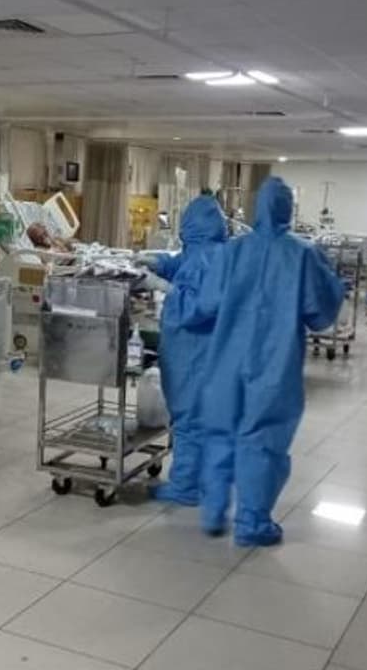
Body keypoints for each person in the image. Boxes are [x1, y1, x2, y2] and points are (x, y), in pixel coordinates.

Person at [189, 177, 343, 544]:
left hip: (227, 357)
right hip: (274, 361)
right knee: (262, 438)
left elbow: (206, 304)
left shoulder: (231, 252)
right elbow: (321, 315)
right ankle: (252, 523)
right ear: (288, 208)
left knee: (220, 431)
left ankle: (213, 512)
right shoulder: (303, 255)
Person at [140, 195, 228, 506]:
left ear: (191, 227)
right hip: (202, 350)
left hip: (194, 351)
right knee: (201, 418)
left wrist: (162, 287)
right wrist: (157, 263)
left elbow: (199, 306)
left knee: (190, 418)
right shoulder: (209, 252)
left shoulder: (209, 258)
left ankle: (186, 487)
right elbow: (182, 265)